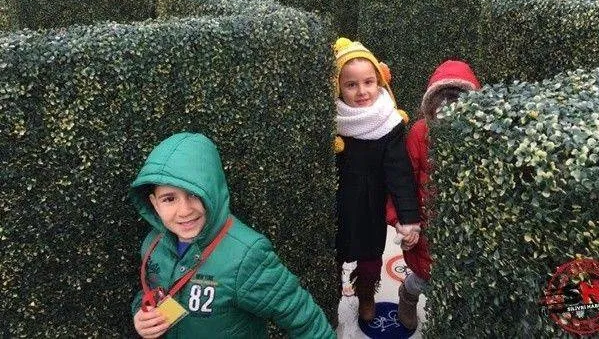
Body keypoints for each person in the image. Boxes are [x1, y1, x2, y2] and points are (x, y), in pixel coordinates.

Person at [130, 132, 335, 339]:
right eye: (169, 199)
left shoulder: (246, 256)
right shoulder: (153, 244)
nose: (184, 211)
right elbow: (151, 291)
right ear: (154, 203)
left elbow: (305, 320)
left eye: (194, 194)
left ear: (213, 191)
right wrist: (141, 313)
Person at [386, 60, 481, 329]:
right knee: (423, 277)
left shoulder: (478, 138)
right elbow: (403, 181)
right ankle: (408, 295)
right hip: (426, 225)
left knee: (458, 278)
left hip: (461, 227)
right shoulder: (419, 133)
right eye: (442, 101)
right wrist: (403, 221)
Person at [333, 37, 421, 322]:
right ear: (338, 87)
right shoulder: (332, 120)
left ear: (380, 80)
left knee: (370, 256)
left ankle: (366, 294)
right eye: (351, 84)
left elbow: (399, 173)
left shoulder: (388, 121)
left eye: (368, 82)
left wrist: (408, 217)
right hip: (338, 202)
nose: (362, 91)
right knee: (333, 252)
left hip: (372, 202)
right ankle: (330, 295)